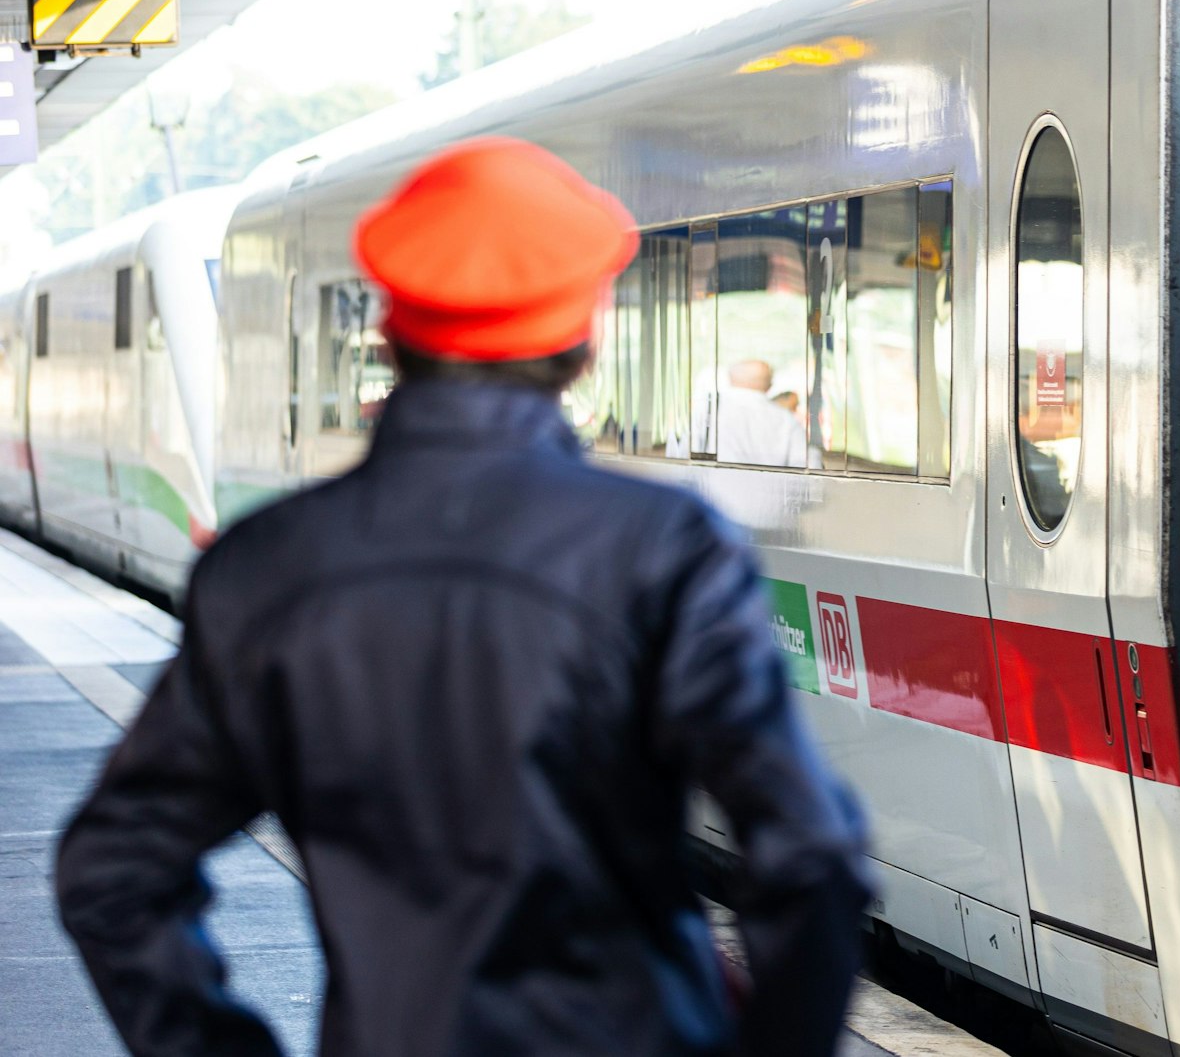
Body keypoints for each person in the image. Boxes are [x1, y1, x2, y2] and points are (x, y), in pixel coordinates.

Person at [55, 136, 872, 1057]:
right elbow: (811, 855)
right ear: (584, 345)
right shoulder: (663, 548)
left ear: (389, 336)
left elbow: (113, 869)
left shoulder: (263, 568)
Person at [714, 360, 812, 467]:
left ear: (730, 378)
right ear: (769, 385)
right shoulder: (786, 420)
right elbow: (807, 464)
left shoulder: (709, 410)